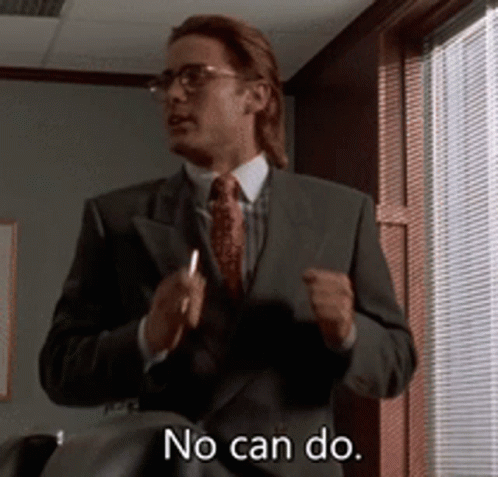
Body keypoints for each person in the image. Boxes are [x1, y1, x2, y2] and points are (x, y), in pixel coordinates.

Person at [39, 14, 416, 477]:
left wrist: (348, 331)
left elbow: (397, 365)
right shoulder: (116, 218)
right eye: (167, 81)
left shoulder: (340, 213)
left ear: (256, 95)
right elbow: (59, 371)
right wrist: (146, 338)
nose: (174, 95)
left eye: (194, 77)